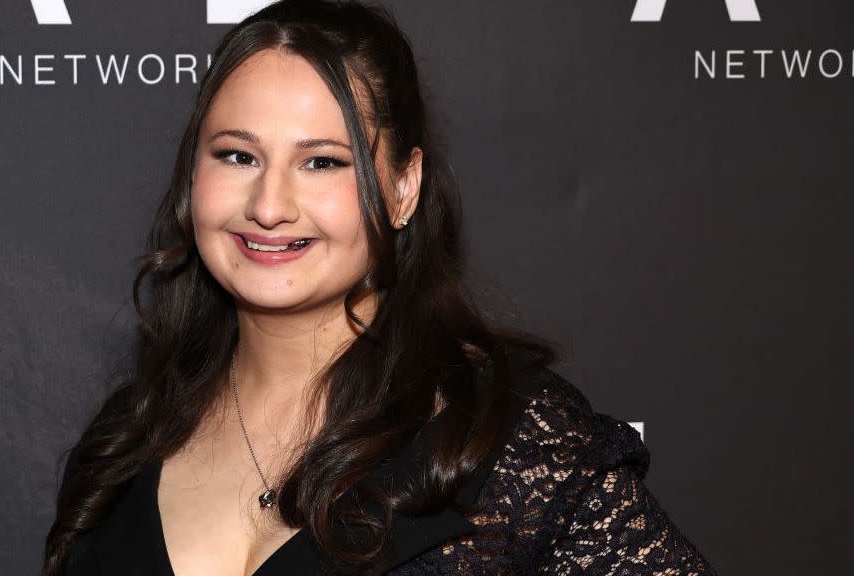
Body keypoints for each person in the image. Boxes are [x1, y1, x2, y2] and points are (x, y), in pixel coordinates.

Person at [42, 1, 717, 574]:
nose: (270, 205)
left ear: (403, 187)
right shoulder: (126, 443)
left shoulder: (504, 440)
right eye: (238, 155)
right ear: (196, 174)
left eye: (322, 162)